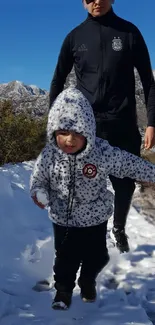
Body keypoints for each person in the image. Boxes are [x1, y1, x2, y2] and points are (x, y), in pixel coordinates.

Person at [30, 88, 155, 310]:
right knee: (65, 258)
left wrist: (152, 173)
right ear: (54, 130)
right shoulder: (50, 154)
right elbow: (39, 178)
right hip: (63, 218)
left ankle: (87, 280)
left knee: (96, 257)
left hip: (95, 218)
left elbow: (129, 163)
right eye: (64, 132)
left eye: (77, 133)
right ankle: (63, 291)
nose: (69, 140)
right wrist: (39, 192)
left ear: (87, 130)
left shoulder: (101, 152)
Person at [49, 0, 155, 253]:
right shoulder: (74, 37)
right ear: (83, 2)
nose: (96, 1)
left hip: (124, 122)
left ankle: (118, 227)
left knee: (124, 183)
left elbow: (149, 82)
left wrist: (152, 122)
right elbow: (57, 81)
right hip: (87, 127)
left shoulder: (129, 32)